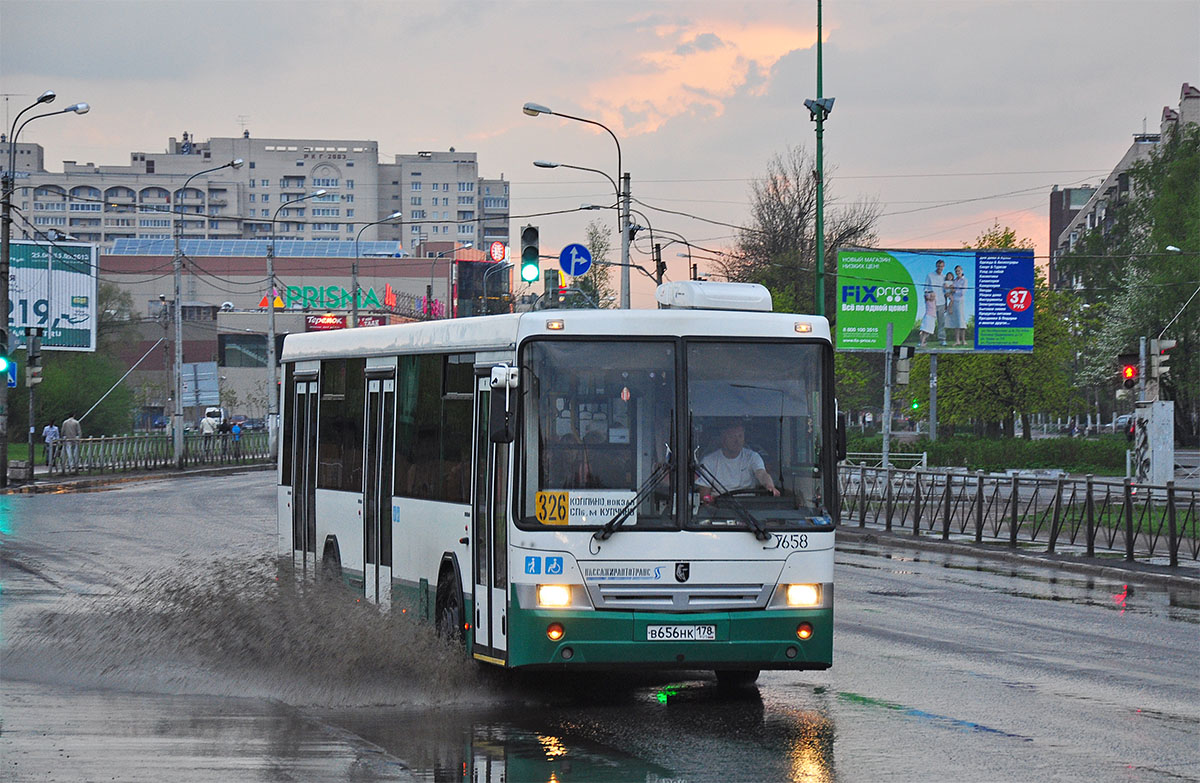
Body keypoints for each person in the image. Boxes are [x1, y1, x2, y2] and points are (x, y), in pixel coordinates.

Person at [696, 421, 779, 496]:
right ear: (723, 439)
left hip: (750, 507)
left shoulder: (752, 457)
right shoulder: (708, 461)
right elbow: (705, 497)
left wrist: (769, 486)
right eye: (732, 437)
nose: (737, 441)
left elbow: (761, 473)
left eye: (740, 436)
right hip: (719, 508)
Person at [924, 259, 948, 346]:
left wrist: (946, 304)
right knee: (929, 322)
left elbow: (946, 292)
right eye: (938, 266)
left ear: (943, 267)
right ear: (936, 266)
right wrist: (929, 296)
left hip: (941, 302)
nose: (940, 268)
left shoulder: (944, 277)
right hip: (932, 303)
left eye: (941, 266)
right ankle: (924, 340)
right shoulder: (930, 275)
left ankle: (942, 339)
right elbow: (926, 289)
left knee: (941, 322)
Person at [951, 265, 969, 345]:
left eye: (958, 271)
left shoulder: (964, 280)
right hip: (954, 302)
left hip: (960, 302)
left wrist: (955, 291)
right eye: (956, 271)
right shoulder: (954, 281)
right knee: (956, 322)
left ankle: (963, 340)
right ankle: (957, 340)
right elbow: (951, 291)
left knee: (961, 321)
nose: (957, 272)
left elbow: (962, 293)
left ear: (961, 270)